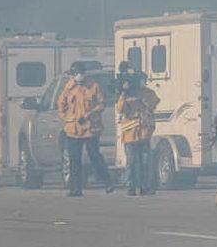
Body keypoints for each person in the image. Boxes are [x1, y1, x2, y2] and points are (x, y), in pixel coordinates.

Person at [58, 61, 114, 196]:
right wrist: (68, 119)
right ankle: (75, 188)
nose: (79, 76)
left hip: (90, 129)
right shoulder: (68, 88)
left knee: (95, 156)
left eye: (81, 73)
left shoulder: (93, 86)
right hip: (73, 130)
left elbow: (101, 104)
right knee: (74, 159)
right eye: (77, 74)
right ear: (73, 75)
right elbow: (61, 106)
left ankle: (107, 182)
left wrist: (89, 114)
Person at [115, 62, 160, 195]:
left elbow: (152, 104)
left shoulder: (149, 93)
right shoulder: (125, 94)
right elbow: (120, 109)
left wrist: (140, 96)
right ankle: (131, 186)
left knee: (145, 161)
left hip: (144, 133)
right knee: (132, 161)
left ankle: (145, 186)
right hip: (129, 133)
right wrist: (124, 92)